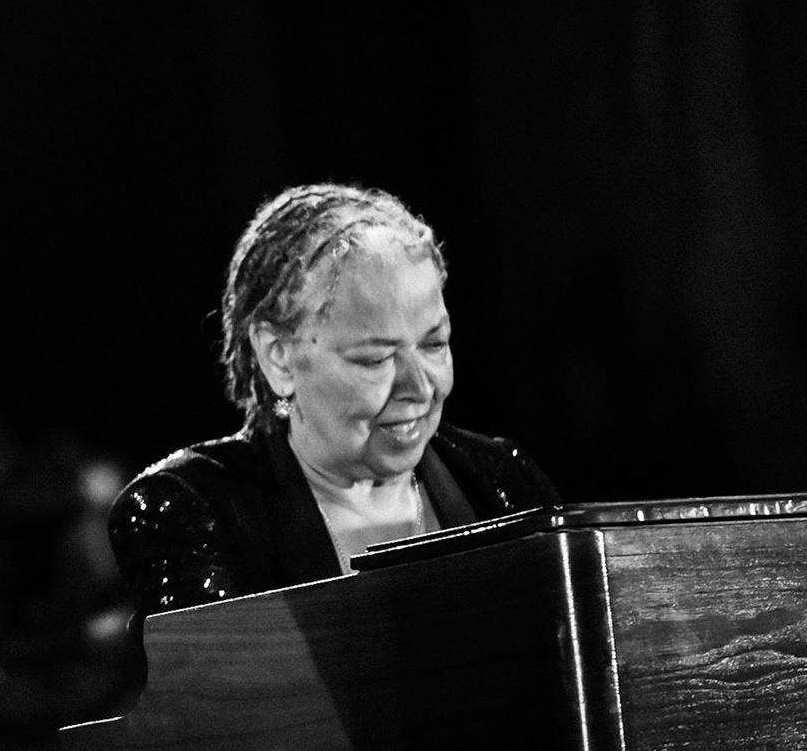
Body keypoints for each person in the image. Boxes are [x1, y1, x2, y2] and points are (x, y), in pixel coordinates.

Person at [107, 183, 559, 615]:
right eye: (375, 358)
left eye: (434, 344)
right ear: (278, 357)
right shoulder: (193, 511)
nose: (420, 387)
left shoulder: (502, 482)